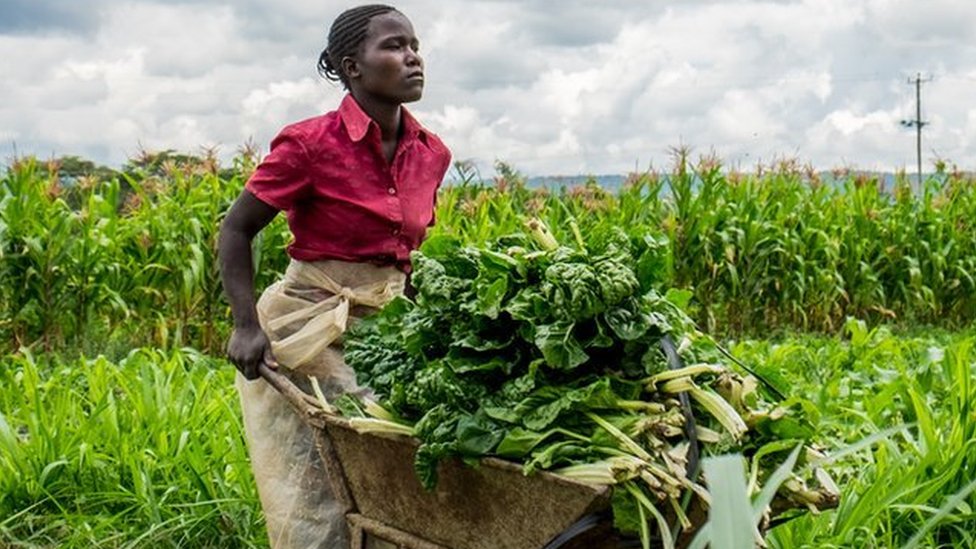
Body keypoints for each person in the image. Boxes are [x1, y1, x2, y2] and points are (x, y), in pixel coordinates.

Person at [217, 5, 451, 548]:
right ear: (352, 67)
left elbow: (403, 257)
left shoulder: (431, 153)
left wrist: (436, 331)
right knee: (322, 482)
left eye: (415, 44)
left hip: (387, 329)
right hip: (309, 325)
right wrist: (246, 326)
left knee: (399, 474)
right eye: (393, 46)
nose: (412, 56)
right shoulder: (309, 145)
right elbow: (235, 230)